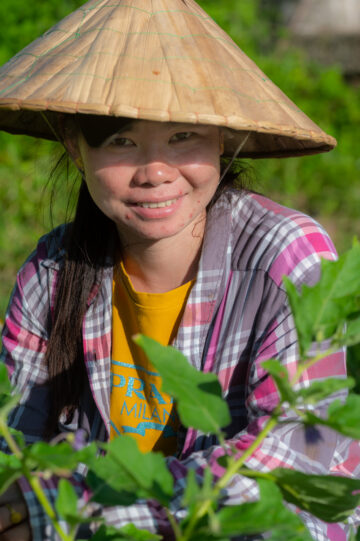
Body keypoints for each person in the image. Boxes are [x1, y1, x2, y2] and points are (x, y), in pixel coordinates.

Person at [0, 1, 359, 540]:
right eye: (121, 141)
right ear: (76, 148)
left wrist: (81, 511)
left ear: (222, 139)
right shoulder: (50, 276)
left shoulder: (286, 259)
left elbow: (292, 461)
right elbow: (18, 445)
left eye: (182, 137)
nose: (155, 171)